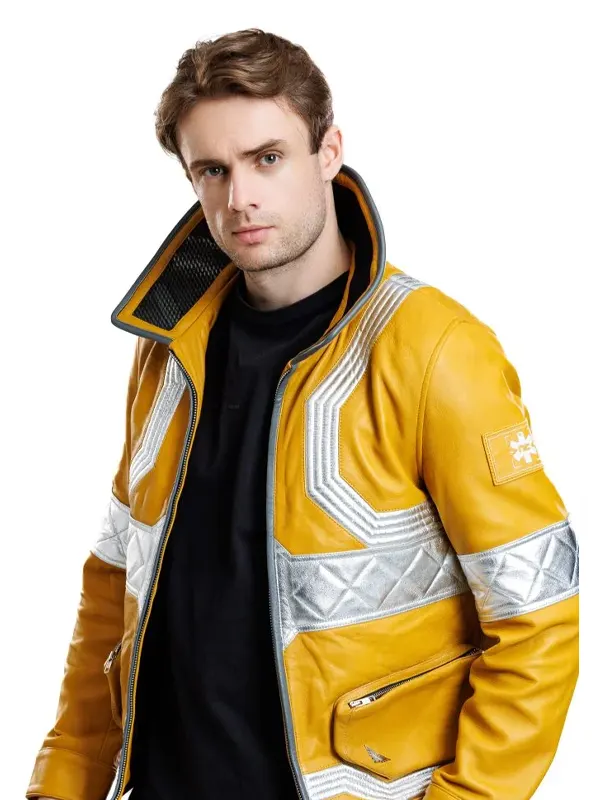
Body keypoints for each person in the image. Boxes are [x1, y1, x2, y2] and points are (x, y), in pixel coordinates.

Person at [26, 27, 579, 800]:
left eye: (268, 158)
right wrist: (63, 782)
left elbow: (538, 617)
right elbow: (112, 588)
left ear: (329, 152)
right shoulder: (166, 346)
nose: (239, 198)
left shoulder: (435, 351)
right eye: (212, 170)